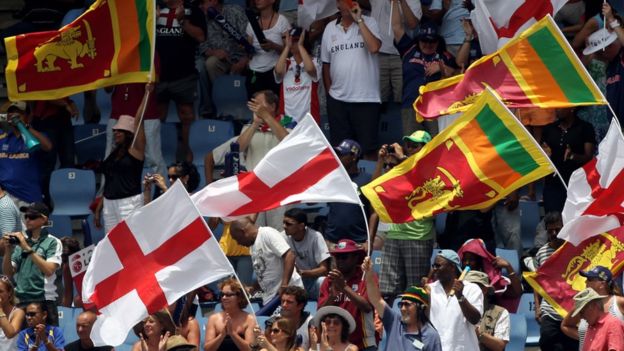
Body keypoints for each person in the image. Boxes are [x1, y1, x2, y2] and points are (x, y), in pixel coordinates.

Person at [372, 131, 435, 302]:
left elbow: (420, 178)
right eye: (408, 145)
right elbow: (375, 187)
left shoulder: (432, 166)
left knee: (414, 292)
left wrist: (401, 158)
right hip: (394, 235)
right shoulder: (401, 167)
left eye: (415, 145)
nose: (410, 149)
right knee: (387, 291)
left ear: (426, 147)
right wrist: (380, 161)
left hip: (418, 237)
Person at [321, 0, 382, 157]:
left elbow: (374, 47)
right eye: (344, 1)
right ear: (338, 5)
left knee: (368, 152)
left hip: (366, 99)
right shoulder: (329, 28)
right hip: (338, 101)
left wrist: (359, 20)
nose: (348, 4)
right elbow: (326, 65)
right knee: (341, 153)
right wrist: (330, 94)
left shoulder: (370, 22)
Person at [391, 7, 458, 136]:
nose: (428, 44)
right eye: (424, 41)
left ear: (438, 41)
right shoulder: (408, 49)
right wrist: (395, 2)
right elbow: (396, 27)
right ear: (419, 40)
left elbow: (458, 74)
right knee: (412, 145)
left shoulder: (445, 56)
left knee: (435, 144)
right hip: (411, 105)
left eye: (432, 41)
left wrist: (442, 68)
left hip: (435, 108)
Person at [155, 0, 206, 162]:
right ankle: (159, 157)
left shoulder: (193, 10)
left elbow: (201, 37)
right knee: (157, 116)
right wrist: (151, 21)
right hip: (157, 75)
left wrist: (183, 20)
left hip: (184, 75)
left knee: (187, 116)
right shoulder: (153, 8)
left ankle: (188, 158)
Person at [95, 87, 149, 233]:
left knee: (132, 241)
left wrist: (146, 93)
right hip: (109, 202)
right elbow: (111, 180)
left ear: (129, 133)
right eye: (115, 130)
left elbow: (138, 121)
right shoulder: (114, 152)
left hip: (129, 202)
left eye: (120, 130)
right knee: (112, 243)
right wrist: (100, 206)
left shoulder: (136, 150)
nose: (116, 132)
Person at [362, 256, 442, 351]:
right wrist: (369, 273)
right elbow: (376, 299)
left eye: (407, 304)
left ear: (421, 307)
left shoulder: (431, 336)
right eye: (401, 304)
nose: (403, 309)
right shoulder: (394, 321)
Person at [2, 202, 62, 325]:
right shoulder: (21, 243)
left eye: (33, 217)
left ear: (44, 219)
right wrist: (8, 251)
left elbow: (49, 270)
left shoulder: (53, 242)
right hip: (21, 301)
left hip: (44, 300)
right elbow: (8, 273)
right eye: (26, 216)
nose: (28, 219)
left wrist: (27, 248)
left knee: (47, 342)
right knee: (24, 343)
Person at [318, 239, 378, 351]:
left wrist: (344, 287)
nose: (340, 261)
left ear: (355, 258)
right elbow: (320, 313)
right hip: (336, 344)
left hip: (363, 343)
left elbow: (367, 307)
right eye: (337, 257)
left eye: (344, 257)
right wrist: (332, 295)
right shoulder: (329, 280)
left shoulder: (366, 277)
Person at [230, 218, 302, 309]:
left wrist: (284, 286)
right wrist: (253, 288)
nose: (238, 243)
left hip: (288, 295)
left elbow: (289, 256)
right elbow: (264, 275)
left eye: (237, 238)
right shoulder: (253, 246)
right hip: (270, 298)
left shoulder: (267, 233)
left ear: (243, 231)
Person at [534, 212, 578, 351]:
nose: (554, 233)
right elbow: (537, 283)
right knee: (547, 344)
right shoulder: (541, 253)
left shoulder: (575, 249)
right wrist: (537, 307)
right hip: (549, 310)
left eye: (558, 229)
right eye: (550, 230)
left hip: (572, 311)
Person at [198, 0, 249, 118]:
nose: (201, 6)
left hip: (243, 57)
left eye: (203, 2)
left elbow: (250, 38)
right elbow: (201, 45)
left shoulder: (235, 11)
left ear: (214, 1)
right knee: (211, 63)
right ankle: (221, 105)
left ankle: (245, 109)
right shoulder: (203, 17)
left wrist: (245, 59)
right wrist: (213, 52)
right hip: (222, 60)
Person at [106, 81, 167, 178]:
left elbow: (153, 80)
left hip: (147, 115)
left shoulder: (146, 64)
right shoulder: (112, 64)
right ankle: (105, 192)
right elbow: (107, 89)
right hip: (118, 113)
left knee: (153, 158)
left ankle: (162, 190)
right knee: (110, 158)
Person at [540, 108, 596, 213]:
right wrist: (545, 154)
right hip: (553, 184)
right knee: (553, 221)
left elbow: (588, 157)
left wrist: (573, 156)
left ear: (571, 108)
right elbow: (542, 155)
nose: (556, 109)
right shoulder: (549, 129)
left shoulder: (585, 128)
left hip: (577, 185)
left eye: (560, 107)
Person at [428, 249, 483, 351]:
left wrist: (460, 297)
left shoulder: (472, 289)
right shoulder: (429, 289)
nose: (434, 269)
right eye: (433, 266)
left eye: (438, 265)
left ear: (452, 267)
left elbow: (475, 319)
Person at [0, 101, 52, 207]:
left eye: (19, 113)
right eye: (11, 113)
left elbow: (48, 147)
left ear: (28, 116)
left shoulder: (35, 137)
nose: (14, 116)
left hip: (29, 198)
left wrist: (25, 126)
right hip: (5, 198)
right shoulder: (2, 138)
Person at [561, 265, 624, 350]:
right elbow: (565, 326)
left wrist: (615, 338)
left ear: (602, 284)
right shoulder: (582, 304)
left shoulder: (619, 302)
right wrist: (592, 338)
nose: (586, 282)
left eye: (590, 279)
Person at [371, 0, 421, 106]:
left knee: (403, 97)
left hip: (402, 56)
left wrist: (401, 1)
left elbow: (412, 24)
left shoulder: (413, 1)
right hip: (379, 53)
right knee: (379, 98)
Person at [324, 139, 371, 245]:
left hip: (359, 241)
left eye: (342, 155)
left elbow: (374, 213)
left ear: (354, 157)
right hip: (332, 241)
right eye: (337, 154)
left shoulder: (367, 179)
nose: (338, 158)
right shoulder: (332, 178)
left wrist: (369, 241)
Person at [457, 238, 522, 312]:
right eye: (464, 260)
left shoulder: (492, 280)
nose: (467, 263)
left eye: (471, 259)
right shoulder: (457, 279)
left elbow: (516, 293)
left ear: (479, 261)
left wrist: (508, 267)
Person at [281, 208, 330, 299]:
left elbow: (324, 269)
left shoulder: (316, 237)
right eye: (284, 223)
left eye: (289, 224)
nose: (284, 226)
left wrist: (303, 273)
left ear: (301, 226)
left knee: (323, 281)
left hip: (313, 282)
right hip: (293, 284)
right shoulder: (282, 237)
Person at [274, 29, 321, 124]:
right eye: (290, 40)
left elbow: (310, 70)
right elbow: (278, 71)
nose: (292, 43)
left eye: (295, 40)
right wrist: (287, 47)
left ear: (304, 41)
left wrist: (300, 46)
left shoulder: (314, 61)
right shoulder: (285, 63)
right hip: (287, 121)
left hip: (309, 120)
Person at [245, 0, 290, 95]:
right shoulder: (251, 23)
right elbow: (249, 53)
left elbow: (289, 51)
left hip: (274, 72)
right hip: (255, 72)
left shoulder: (282, 21)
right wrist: (245, 46)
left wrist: (273, 46)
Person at [204, 278, 256, 351]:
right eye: (222, 294)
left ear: (239, 297)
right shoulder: (213, 319)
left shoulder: (249, 319)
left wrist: (233, 333)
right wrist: (222, 335)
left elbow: (250, 349)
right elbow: (207, 349)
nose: (224, 298)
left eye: (228, 295)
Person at [463, 270, 510, 351]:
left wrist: (478, 334)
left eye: (473, 288)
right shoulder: (455, 308)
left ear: (484, 290)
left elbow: (500, 346)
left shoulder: (500, 313)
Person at [266, 286, 314, 350]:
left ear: (300, 306)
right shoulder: (272, 321)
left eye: (289, 302)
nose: (284, 305)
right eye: (283, 301)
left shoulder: (311, 323)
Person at [0, 275, 25, 351]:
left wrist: (0, 309)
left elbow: (10, 333)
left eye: (0, 291)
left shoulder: (18, 312)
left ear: (9, 292)